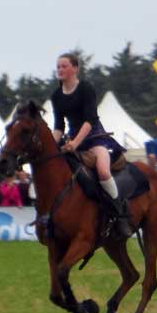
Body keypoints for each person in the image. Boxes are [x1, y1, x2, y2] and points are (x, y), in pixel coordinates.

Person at [49, 52, 131, 236]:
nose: (60, 70)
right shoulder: (56, 95)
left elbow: (90, 119)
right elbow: (58, 127)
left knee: (103, 171)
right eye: (58, 67)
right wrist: (53, 147)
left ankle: (120, 214)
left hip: (94, 137)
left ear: (75, 68)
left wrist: (75, 143)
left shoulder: (85, 88)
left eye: (64, 66)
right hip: (73, 140)